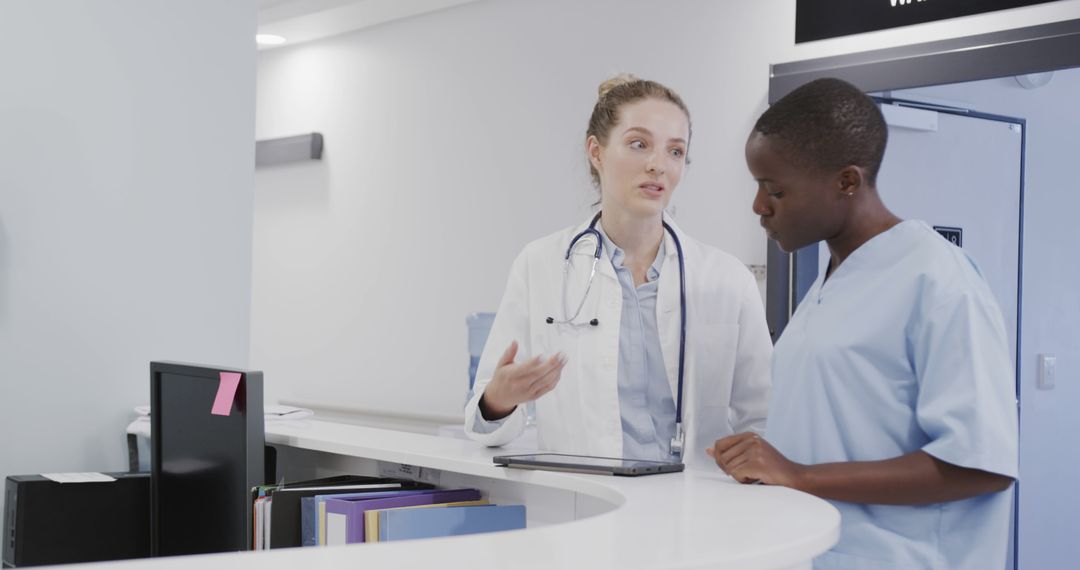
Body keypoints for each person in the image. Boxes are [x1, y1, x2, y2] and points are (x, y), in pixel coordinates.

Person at [708, 77, 1018, 569]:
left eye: (775, 189)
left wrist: (800, 475)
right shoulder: (831, 281)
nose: (759, 207)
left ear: (846, 182)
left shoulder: (938, 280)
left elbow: (980, 467)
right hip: (820, 553)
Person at [464, 74, 772, 470]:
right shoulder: (539, 265)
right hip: (588, 506)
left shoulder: (727, 279)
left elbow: (763, 420)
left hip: (700, 509)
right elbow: (483, 424)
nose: (658, 165)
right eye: (638, 144)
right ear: (596, 151)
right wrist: (499, 398)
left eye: (675, 151)